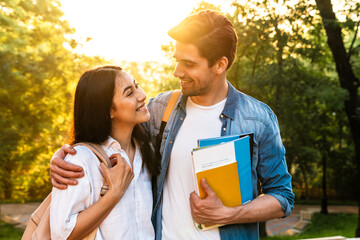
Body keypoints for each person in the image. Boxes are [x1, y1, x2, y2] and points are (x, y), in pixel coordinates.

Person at [50, 10, 294, 239]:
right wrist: (65, 157)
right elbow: (108, 137)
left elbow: (282, 197)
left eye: (189, 64)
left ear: (220, 65)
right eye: (177, 60)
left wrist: (228, 214)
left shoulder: (258, 118)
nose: (177, 72)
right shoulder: (159, 110)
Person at [49, 66, 159, 239]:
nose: (142, 95)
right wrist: (113, 195)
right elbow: (62, 233)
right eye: (129, 93)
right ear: (107, 110)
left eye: (137, 86)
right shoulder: (81, 159)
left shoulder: (146, 149)